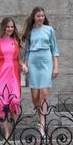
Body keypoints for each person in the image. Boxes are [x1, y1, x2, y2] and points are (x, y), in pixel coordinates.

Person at [22, 7, 59, 137]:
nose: (41, 18)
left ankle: (42, 122)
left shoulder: (49, 30)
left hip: (46, 62)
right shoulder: (30, 32)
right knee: (35, 96)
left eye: (43, 16)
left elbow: (55, 49)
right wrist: (25, 65)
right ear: (34, 17)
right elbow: (26, 51)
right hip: (33, 63)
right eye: (38, 16)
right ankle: (40, 116)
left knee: (44, 92)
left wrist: (56, 67)